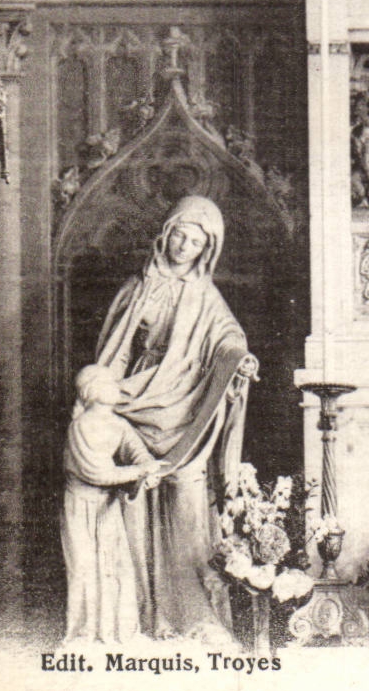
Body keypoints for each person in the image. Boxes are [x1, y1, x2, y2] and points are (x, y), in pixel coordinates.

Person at [97, 196, 258, 644]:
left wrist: (238, 361)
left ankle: (196, 616)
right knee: (132, 504)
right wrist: (107, 396)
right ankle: (143, 617)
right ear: (166, 233)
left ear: (208, 248)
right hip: (133, 406)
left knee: (187, 510)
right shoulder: (137, 287)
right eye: (180, 235)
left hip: (186, 412)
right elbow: (116, 349)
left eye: (195, 241)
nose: (184, 246)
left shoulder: (206, 294)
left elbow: (228, 338)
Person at [61, 364, 164, 645]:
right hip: (81, 507)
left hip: (107, 507)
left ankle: (120, 632)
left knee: (115, 566)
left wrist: (148, 470)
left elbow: (138, 454)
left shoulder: (119, 424)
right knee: (84, 569)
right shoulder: (79, 427)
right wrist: (139, 473)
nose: (115, 385)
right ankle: (85, 634)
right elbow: (98, 474)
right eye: (108, 382)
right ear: (92, 390)